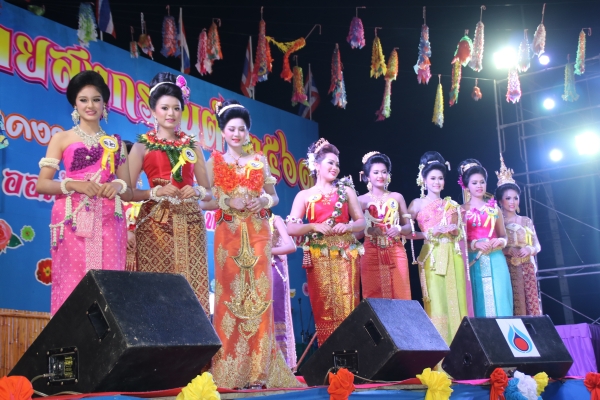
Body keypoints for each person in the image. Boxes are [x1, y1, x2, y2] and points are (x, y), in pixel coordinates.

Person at [207, 99, 301, 389]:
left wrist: (263, 200)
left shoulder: (259, 160)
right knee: (229, 296)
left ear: (248, 132)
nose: (237, 134)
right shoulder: (214, 162)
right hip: (228, 234)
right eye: (231, 129)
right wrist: (227, 200)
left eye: (242, 129)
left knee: (260, 296)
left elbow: (275, 197)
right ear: (223, 131)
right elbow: (205, 199)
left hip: (258, 231)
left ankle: (260, 370)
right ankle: (229, 369)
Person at [37, 70, 133, 315]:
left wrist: (117, 186)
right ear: (75, 104)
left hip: (109, 220)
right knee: (72, 282)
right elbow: (42, 184)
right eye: (83, 100)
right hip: (72, 219)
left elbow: (128, 190)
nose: (90, 105)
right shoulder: (62, 138)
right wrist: (73, 185)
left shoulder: (116, 143)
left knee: (108, 283)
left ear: (104, 104)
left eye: (96, 99)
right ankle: (71, 336)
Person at [128, 72, 211, 315]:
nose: (170, 113)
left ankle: (193, 337)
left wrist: (196, 190)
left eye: (176, 108)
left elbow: (208, 191)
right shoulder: (142, 146)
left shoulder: (192, 145)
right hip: (154, 223)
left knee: (191, 287)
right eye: (164, 108)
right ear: (153, 111)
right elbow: (127, 193)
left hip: (191, 222)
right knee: (156, 289)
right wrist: (155, 191)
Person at [286, 139, 366, 345]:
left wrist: (348, 226)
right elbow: (291, 228)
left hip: (345, 254)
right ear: (316, 165)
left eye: (337, 164)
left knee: (347, 302)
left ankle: (352, 352)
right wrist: (313, 226)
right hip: (319, 257)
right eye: (330, 163)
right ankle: (328, 353)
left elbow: (361, 222)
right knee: (323, 304)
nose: (335, 168)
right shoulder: (305, 195)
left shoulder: (346, 191)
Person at [407, 151, 468, 345]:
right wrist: (429, 233)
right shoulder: (416, 204)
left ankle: (462, 350)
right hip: (431, 257)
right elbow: (406, 233)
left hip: (453, 254)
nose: (437, 182)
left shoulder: (451, 204)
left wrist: (453, 230)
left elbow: (460, 233)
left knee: (457, 299)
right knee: (437, 301)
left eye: (440, 178)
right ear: (424, 180)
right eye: (432, 178)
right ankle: (440, 353)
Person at [458, 159, 513, 317]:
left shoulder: (494, 208)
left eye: (482, 182)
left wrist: (500, 241)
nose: (479, 186)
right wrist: (475, 244)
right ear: (466, 186)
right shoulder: (461, 211)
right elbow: (459, 240)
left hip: (496, 258)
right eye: (474, 183)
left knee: (500, 297)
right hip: (474, 260)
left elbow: (503, 236)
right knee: (478, 299)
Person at [356, 152, 412, 299]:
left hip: (396, 250)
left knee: (401, 293)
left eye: (384, 172)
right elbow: (356, 233)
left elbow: (408, 228)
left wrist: (399, 229)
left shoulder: (397, 197)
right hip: (370, 251)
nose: (380, 176)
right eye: (375, 172)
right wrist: (368, 229)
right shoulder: (360, 200)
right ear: (368, 176)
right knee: (373, 296)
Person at [495, 154, 542, 316]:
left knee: (532, 306)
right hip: (507, 267)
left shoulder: (526, 220)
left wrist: (529, 249)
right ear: (500, 201)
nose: (512, 202)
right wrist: (507, 251)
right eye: (508, 198)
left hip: (527, 267)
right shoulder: (497, 221)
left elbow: (537, 245)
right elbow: (495, 245)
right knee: (513, 305)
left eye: (515, 198)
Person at [270, 214, 298, 368]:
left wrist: (267, 250)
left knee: (276, 313)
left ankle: (279, 364)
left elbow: (291, 246)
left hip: (272, 270)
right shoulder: (245, 219)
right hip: (252, 271)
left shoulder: (274, 219)